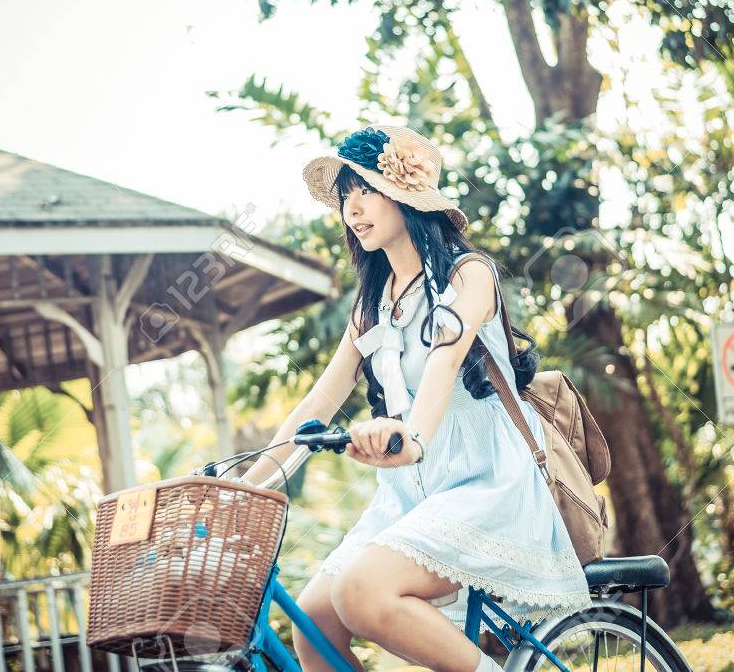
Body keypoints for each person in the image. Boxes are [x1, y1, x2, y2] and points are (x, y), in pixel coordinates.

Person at [240, 125, 592, 672]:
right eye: (345, 197)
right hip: (409, 496)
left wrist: (415, 438)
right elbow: (316, 405)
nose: (353, 209)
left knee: (362, 591)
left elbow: (445, 358)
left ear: (405, 196)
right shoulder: (371, 306)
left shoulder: (468, 275)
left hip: (488, 483)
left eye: (366, 190)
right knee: (313, 623)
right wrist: (244, 487)